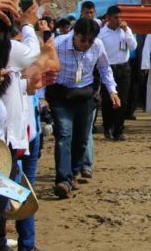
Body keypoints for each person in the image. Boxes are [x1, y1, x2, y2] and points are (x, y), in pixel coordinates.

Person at [48, 18, 119, 199]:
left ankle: (72, 174)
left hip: (84, 96)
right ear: (74, 34)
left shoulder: (97, 46)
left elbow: (104, 68)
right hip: (60, 95)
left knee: (81, 139)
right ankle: (62, 180)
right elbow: (44, 69)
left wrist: (112, 91)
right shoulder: (58, 44)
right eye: (83, 40)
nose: (86, 44)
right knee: (64, 135)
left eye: (90, 41)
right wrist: (41, 98)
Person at [98, 6, 137, 141]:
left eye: (121, 17)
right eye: (116, 18)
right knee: (108, 100)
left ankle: (119, 130)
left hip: (124, 67)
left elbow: (133, 46)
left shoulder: (125, 31)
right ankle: (108, 126)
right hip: (108, 69)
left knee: (123, 100)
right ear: (108, 18)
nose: (119, 20)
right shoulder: (102, 33)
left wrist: (126, 32)